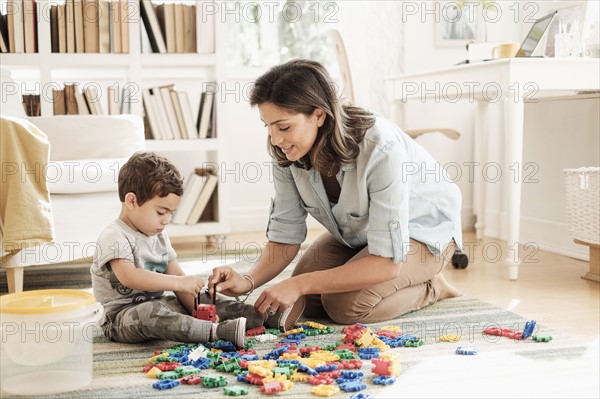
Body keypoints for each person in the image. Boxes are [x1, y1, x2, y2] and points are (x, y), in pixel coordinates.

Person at [209, 59, 463, 327]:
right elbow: (284, 237)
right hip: (364, 233)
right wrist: (247, 280)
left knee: (344, 306)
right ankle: (381, 273)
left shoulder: (381, 149)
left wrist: (299, 283)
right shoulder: (286, 150)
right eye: (267, 126)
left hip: (424, 232)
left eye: (283, 127)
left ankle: (432, 286)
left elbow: (387, 263)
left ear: (319, 115)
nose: (275, 139)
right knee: (311, 300)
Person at [91, 152, 292, 346]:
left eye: (171, 213)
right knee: (150, 312)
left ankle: (260, 317)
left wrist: (199, 306)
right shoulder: (114, 236)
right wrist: (180, 283)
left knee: (203, 296)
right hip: (121, 318)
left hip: (160, 304)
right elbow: (130, 277)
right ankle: (215, 333)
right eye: (161, 212)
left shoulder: (159, 235)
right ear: (132, 201)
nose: (167, 220)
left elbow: (177, 276)